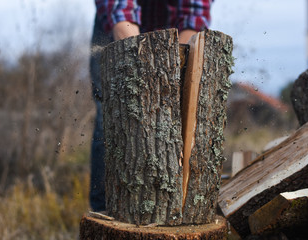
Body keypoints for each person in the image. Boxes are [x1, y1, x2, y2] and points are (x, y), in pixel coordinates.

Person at [89, 0, 214, 212]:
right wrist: (142, 64)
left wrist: (174, 66)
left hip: (174, 30)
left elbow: (194, 13)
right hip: (118, 29)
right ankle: (105, 209)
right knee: (109, 121)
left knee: (184, 115)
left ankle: (175, 205)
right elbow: (119, 10)